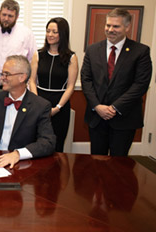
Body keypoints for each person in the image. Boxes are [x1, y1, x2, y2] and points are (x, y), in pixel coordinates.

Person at [81, 8, 152, 156]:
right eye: (108, 25)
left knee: (119, 167)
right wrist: (97, 106)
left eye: (116, 26)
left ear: (127, 27)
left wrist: (114, 107)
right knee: (97, 162)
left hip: (124, 118)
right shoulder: (92, 50)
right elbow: (86, 80)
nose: (110, 29)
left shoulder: (140, 51)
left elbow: (141, 84)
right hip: (97, 118)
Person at [29, 17, 78, 152]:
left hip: (60, 105)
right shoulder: (38, 54)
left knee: (57, 144)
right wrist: (37, 102)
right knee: (36, 142)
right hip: (39, 101)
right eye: (48, 31)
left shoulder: (71, 58)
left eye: (54, 32)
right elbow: (32, 81)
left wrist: (57, 108)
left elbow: (71, 86)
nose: (50, 35)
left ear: (62, 34)